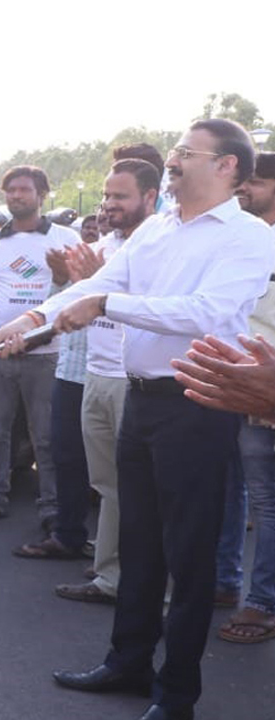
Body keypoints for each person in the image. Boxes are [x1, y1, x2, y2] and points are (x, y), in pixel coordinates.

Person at [0, 119, 274, 720]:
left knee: (189, 554)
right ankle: (127, 662)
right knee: (140, 541)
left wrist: (105, 305)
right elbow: (101, 281)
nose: (171, 162)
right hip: (141, 397)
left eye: (184, 154)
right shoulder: (158, 230)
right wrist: (35, 317)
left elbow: (206, 313)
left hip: (198, 403)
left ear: (226, 166)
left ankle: (177, 695)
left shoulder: (248, 236)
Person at [16, 160, 159, 602]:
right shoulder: (107, 244)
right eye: (106, 196)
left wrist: (97, 291)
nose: (108, 205)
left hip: (134, 380)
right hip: (94, 374)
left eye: (120, 197)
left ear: (149, 197)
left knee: (142, 488)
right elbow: (78, 299)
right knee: (109, 487)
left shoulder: (159, 242)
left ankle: (149, 584)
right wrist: (32, 318)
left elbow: (160, 306)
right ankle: (112, 578)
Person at [175, 151, 275, 644]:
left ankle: (261, 602)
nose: (245, 190)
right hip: (226, 381)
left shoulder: (263, 242)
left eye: (256, 183)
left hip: (266, 387)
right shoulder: (233, 239)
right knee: (227, 491)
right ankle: (223, 580)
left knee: (266, 501)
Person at [0, 166, 78, 526]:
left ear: (42, 194)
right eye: (10, 190)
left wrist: (37, 336)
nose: (16, 196)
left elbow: (76, 293)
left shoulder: (65, 238)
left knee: (45, 437)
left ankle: (51, 509)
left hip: (46, 354)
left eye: (24, 190)